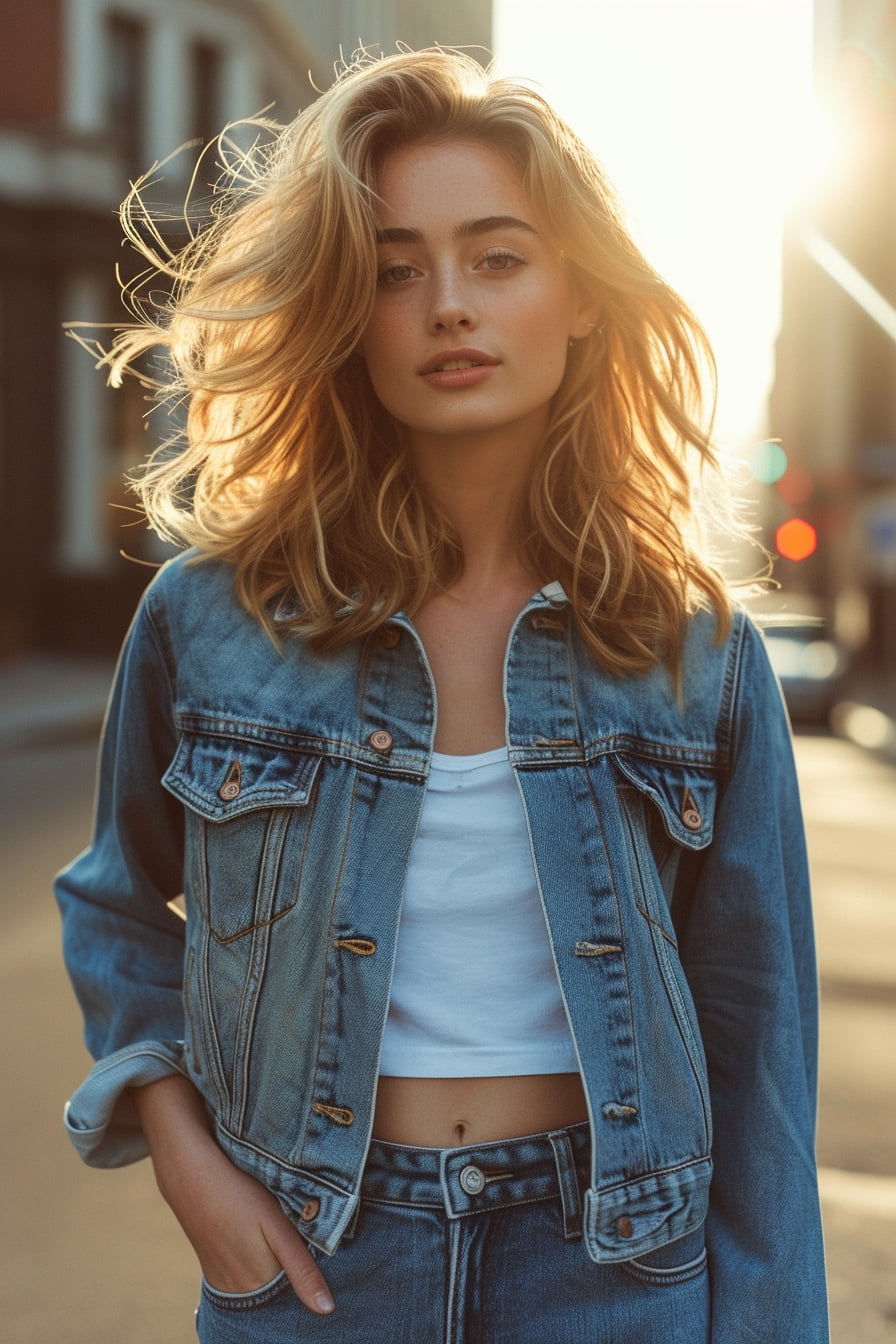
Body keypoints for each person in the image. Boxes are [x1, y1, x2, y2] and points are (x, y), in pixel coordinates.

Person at [56, 46, 829, 1344]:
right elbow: (119, 905)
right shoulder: (214, 615)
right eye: (394, 269)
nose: (448, 306)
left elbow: (759, 1056)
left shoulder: (694, 646)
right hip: (317, 1257)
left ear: (580, 294)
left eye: (498, 257)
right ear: (344, 315)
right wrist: (180, 1145)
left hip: (613, 1269)